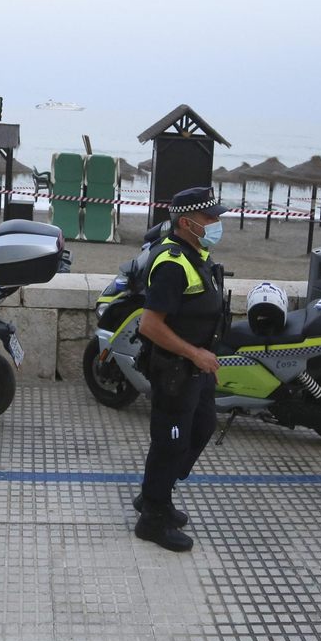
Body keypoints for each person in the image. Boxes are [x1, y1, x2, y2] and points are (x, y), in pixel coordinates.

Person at [132, 186, 227, 552]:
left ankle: (157, 493)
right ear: (187, 222)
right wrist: (195, 354)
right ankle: (152, 518)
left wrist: (205, 360)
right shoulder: (172, 262)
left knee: (202, 426)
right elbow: (150, 325)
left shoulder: (196, 253)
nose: (217, 223)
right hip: (175, 371)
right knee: (170, 443)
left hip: (196, 369)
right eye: (210, 218)